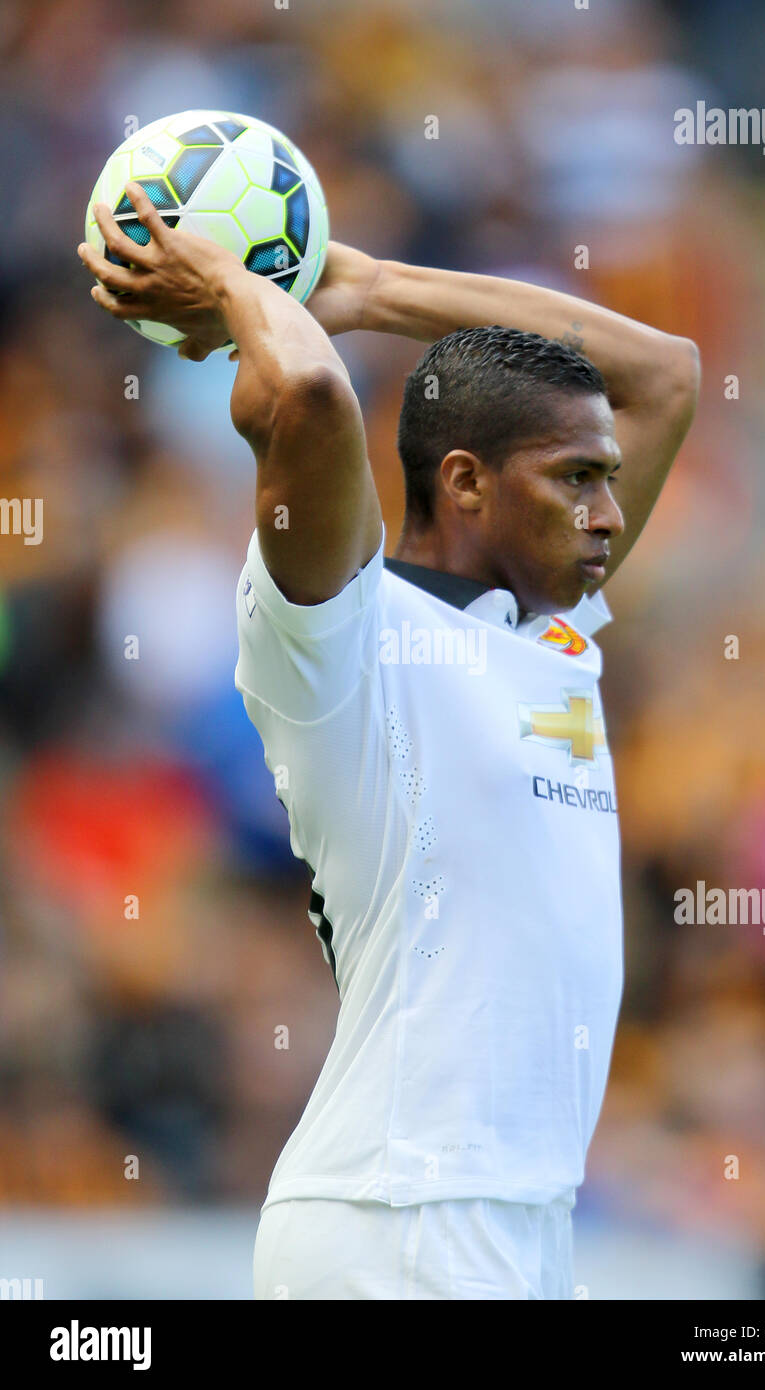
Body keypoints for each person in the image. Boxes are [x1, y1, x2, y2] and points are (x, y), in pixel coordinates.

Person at [79, 181, 699, 1300]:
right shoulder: (340, 636)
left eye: (606, 481)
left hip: (517, 1222)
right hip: (396, 1216)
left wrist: (371, 288)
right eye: (575, 479)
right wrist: (235, 280)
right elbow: (309, 393)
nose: (608, 513)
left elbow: (663, 372)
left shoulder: (553, 637)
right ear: (461, 481)